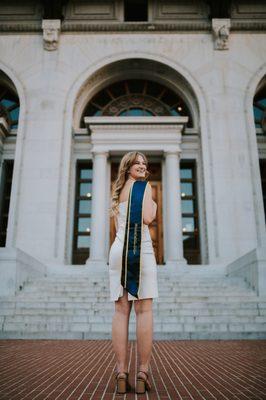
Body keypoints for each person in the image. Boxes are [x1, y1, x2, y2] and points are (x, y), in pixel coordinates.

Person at [108, 151, 159, 394]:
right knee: (143, 310)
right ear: (128, 166)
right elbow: (148, 217)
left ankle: (120, 373)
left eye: (144, 163)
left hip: (117, 250)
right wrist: (155, 204)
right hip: (140, 250)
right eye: (137, 162)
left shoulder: (118, 190)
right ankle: (142, 372)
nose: (142, 166)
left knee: (120, 310)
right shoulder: (143, 186)